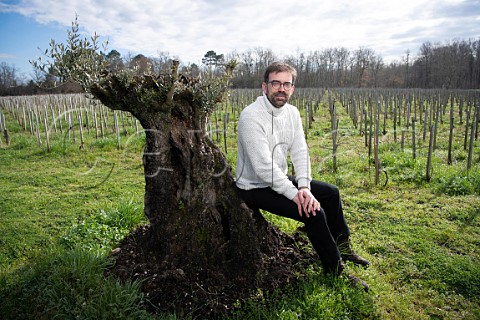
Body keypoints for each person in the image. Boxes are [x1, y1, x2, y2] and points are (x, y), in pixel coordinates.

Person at [235, 61, 370, 291]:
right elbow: (262, 167)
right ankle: (335, 269)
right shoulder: (251, 117)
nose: (281, 88)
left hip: (279, 178)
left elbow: (300, 150)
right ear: (264, 86)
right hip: (253, 186)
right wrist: (294, 194)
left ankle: (344, 249)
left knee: (330, 194)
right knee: (313, 212)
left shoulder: (292, 113)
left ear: (292, 88)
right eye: (275, 83)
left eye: (286, 84)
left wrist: (304, 187)